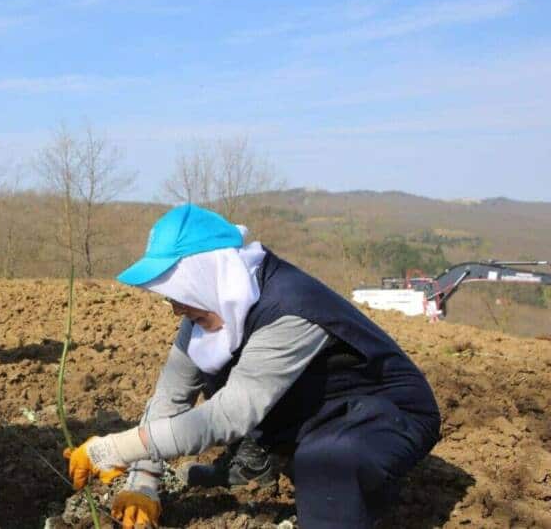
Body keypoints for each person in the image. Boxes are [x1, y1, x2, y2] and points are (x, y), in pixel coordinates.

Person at [65, 204, 441, 528]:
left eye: (177, 292)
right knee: (221, 369)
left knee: (324, 466)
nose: (176, 308)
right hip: (309, 410)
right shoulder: (211, 308)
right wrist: (143, 483)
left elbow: (230, 415)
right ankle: (259, 460)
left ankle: (363, 491)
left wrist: (111, 449)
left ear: (202, 276)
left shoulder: (291, 308)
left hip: (379, 413)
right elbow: (171, 396)